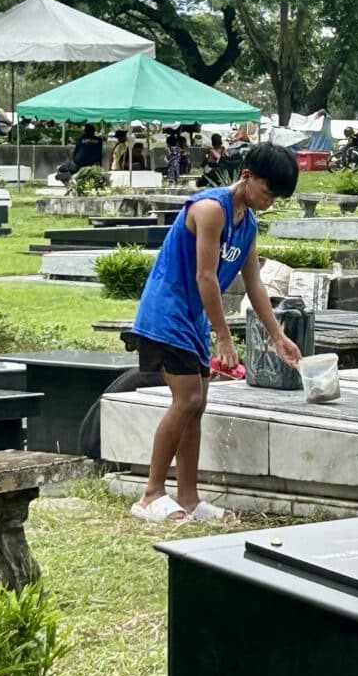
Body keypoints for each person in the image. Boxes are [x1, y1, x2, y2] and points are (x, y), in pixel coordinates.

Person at [129, 143, 302, 522]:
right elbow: (205, 276)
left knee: (198, 404)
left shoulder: (249, 225)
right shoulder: (209, 209)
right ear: (247, 177)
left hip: (193, 318)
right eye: (268, 191)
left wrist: (276, 335)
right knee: (187, 399)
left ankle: (189, 498)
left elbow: (254, 283)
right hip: (167, 312)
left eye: (277, 197)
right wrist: (224, 337)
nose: (270, 201)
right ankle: (150, 495)